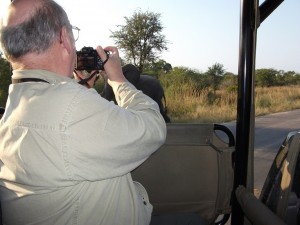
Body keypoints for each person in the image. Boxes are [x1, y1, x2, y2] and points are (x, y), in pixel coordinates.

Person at [0, 1, 207, 225]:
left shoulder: (15, 103)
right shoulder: (72, 108)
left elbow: (64, 131)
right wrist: (118, 79)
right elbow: (153, 128)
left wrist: (82, 89)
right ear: (63, 38)